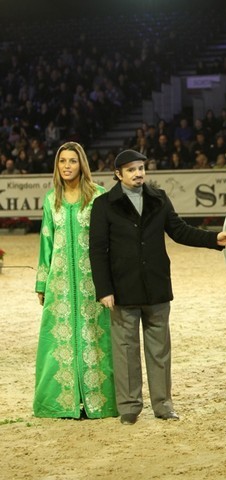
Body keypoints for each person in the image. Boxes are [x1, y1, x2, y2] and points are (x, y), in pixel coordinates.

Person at [89, 149, 226, 425]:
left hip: (156, 285)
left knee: (159, 350)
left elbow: (179, 231)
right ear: (118, 174)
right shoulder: (103, 205)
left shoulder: (158, 198)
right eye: (131, 170)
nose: (138, 174)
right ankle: (130, 407)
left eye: (141, 168)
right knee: (125, 350)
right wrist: (104, 289)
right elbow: (97, 250)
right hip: (122, 288)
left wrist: (214, 239)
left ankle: (163, 404)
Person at [34, 141, 118, 419]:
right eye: (62, 161)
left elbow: (110, 240)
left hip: (92, 282)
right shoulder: (51, 199)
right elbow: (46, 241)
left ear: (82, 164)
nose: (67, 166)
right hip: (59, 284)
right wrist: (42, 283)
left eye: (72, 161)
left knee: (95, 337)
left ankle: (97, 403)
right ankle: (63, 403)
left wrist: (111, 280)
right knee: (59, 342)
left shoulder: (98, 196)